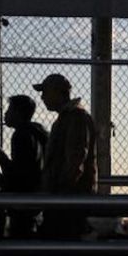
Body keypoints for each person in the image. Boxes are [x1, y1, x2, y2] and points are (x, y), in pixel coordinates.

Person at [35, 73, 97, 242]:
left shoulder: (75, 118)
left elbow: (75, 160)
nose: (42, 97)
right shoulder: (69, 117)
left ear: (57, 92)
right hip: (66, 197)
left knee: (62, 245)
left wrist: (60, 192)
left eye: (45, 92)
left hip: (68, 198)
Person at [0, 95, 49, 240]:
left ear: (18, 112)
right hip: (38, 194)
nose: (6, 113)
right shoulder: (38, 132)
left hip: (24, 197)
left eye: (9, 110)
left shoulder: (21, 135)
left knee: (19, 236)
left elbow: (18, 172)